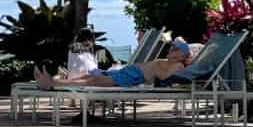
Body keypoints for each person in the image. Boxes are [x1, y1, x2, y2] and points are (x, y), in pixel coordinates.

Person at [34, 43, 190, 91]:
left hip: (132, 77)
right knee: (89, 77)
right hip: (129, 72)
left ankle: (53, 83)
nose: (171, 50)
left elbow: (165, 79)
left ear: (183, 56)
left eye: (176, 49)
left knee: (94, 80)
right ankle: (55, 80)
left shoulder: (177, 66)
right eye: (171, 48)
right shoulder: (169, 61)